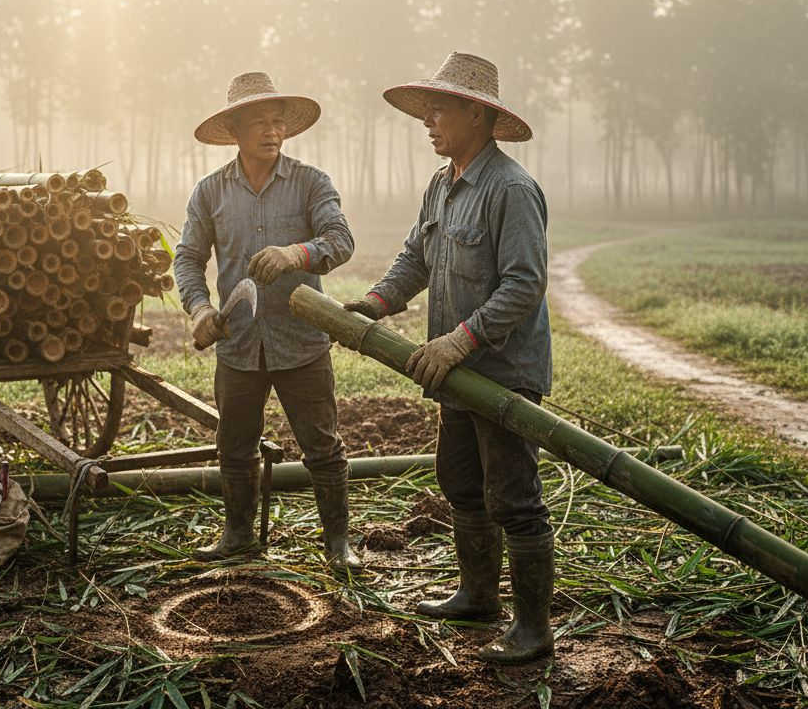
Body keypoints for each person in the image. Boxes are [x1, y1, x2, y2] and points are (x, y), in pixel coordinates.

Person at [345, 52, 553, 662]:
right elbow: (416, 258)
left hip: (500, 372)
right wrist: (376, 303)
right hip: (455, 373)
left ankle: (534, 629)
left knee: (513, 496)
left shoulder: (511, 189)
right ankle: (477, 595)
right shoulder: (442, 185)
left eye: (439, 108)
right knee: (460, 483)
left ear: (477, 113)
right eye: (427, 108)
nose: (428, 118)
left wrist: (461, 338)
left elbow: (524, 283)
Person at [174, 72, 359, 569]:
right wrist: (199, 309)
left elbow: (340, 240)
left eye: (278, 122)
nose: (271, 132)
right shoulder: (210, 192)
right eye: (259, 122)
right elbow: (188, 259)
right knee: (234, 447)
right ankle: (238, 536)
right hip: (237, 343)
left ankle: (338, 543)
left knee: (322, 445)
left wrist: (297, 253)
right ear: (234, 129)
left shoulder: (310, 182)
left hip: (300, 342)